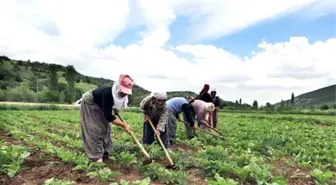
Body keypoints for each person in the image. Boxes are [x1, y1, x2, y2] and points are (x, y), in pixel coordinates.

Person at [79, 74, 134, 162]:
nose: (124, 94)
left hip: (100, 104)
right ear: (118, 88)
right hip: (90, 103)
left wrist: (116, 110)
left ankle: (105, 152)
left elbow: (115, 106)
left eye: (126, 92)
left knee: (105, 128)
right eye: (123, 92)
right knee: (94, 129)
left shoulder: (122, 95)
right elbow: (109, 116)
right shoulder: (107, 94)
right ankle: (96, 157)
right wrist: (124, 125)